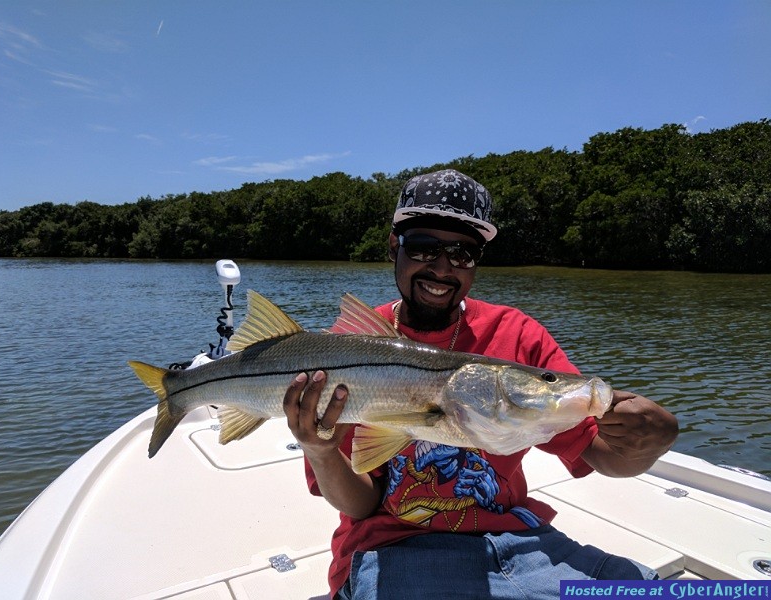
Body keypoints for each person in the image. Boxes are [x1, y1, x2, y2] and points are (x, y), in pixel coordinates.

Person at [282, 169, 679, 600]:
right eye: (423, 248)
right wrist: (320, 449)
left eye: (462, 254)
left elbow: (609, 460)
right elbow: (360, 506)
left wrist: (650, 443)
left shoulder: (519, 335)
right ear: (394, 245)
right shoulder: (343, 354)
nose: (441, 268)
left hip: (522, 545)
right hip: (393, 548)